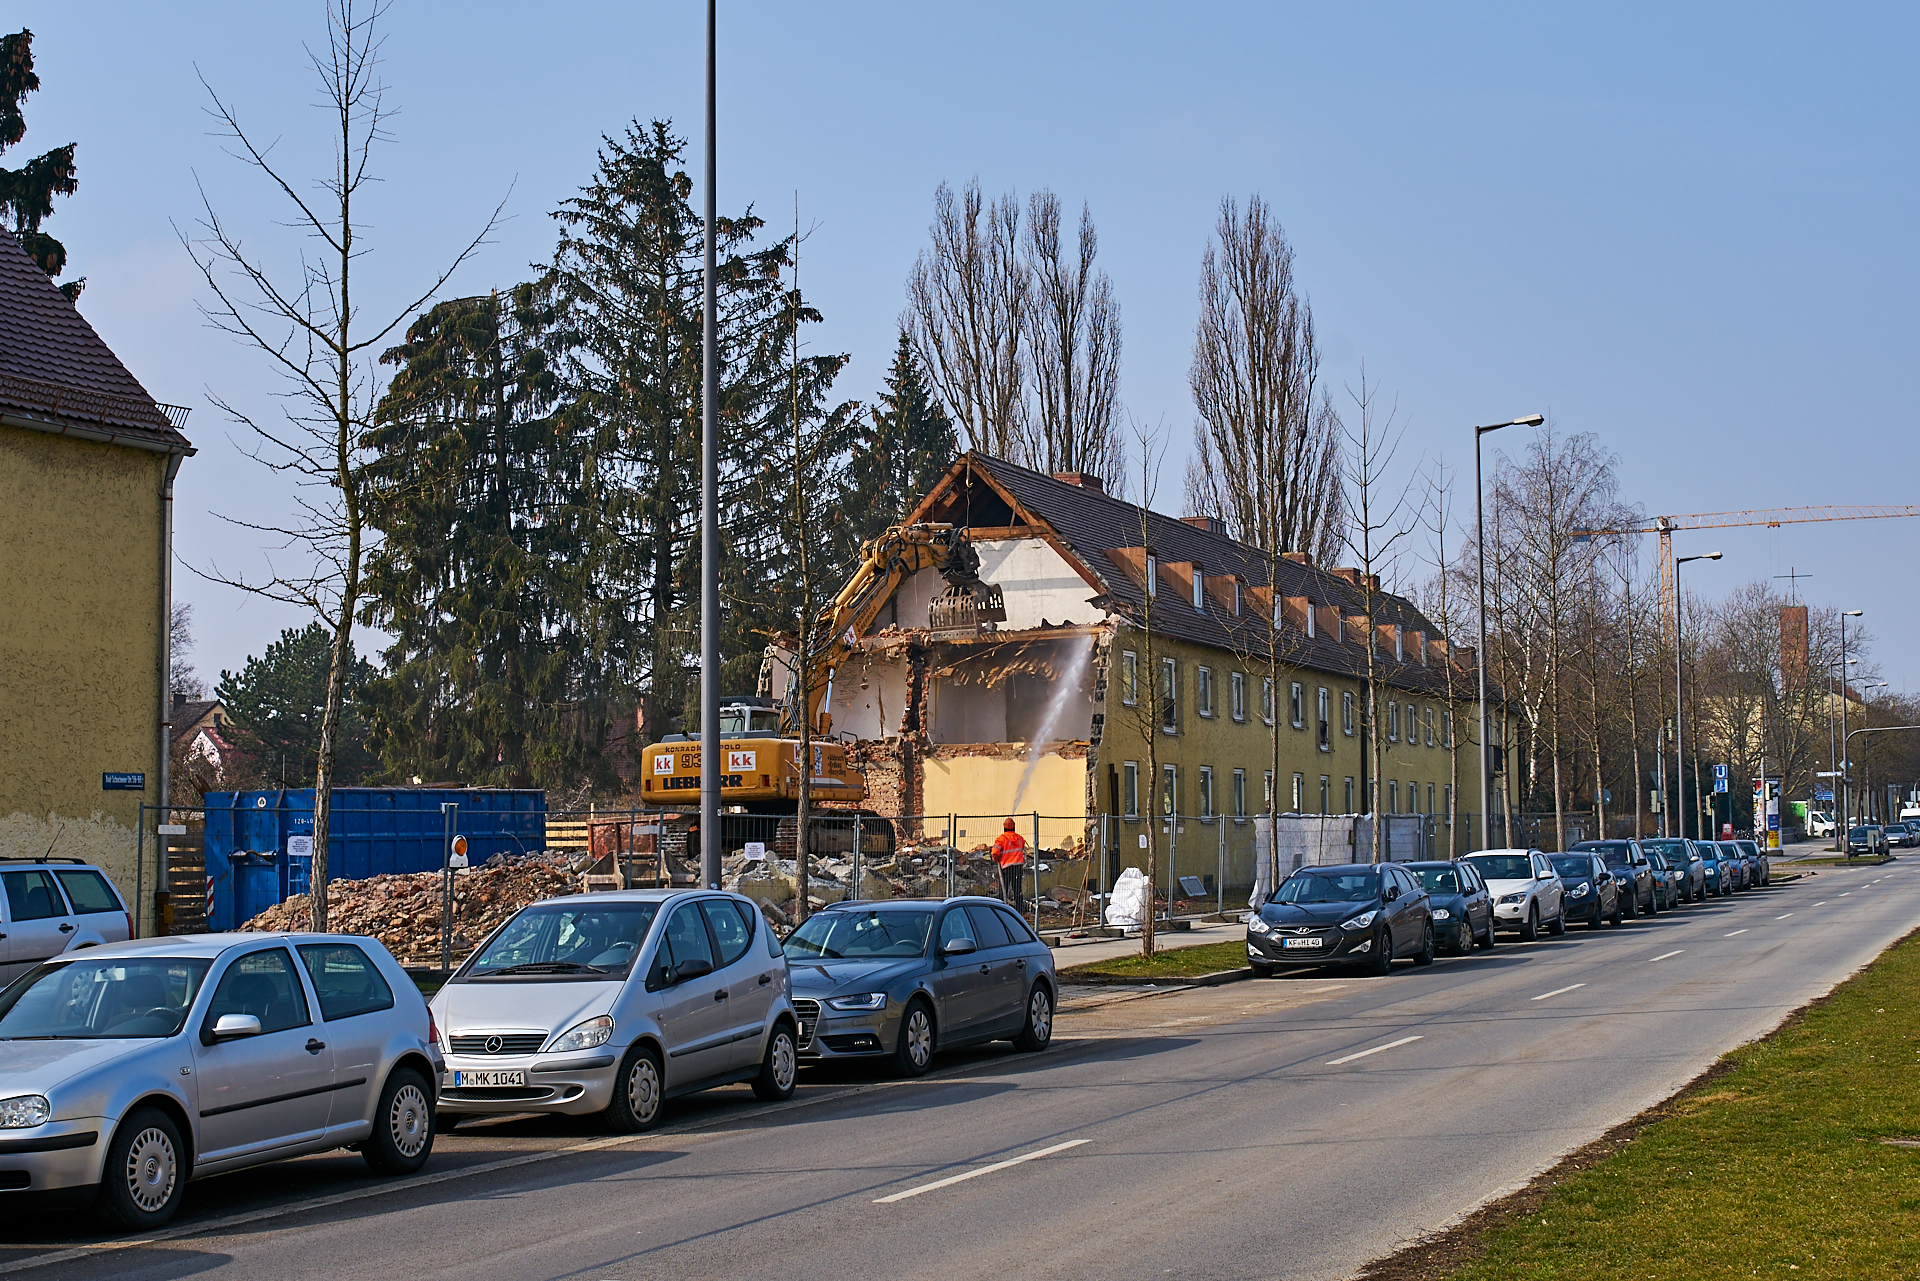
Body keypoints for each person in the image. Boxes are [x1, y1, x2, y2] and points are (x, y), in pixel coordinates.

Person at [992, 818, 1029, 913]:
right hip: (1017, 868)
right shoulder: (1019, 839)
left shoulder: (1001, 839)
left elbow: (995, 853)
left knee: (1003, 890)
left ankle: (999, 910)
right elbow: (1022, 846)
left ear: (1004, 827)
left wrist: (996, 860)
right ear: (1014, 827)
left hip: (1006, 868)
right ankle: (1019, 911)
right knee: (1017, 890)